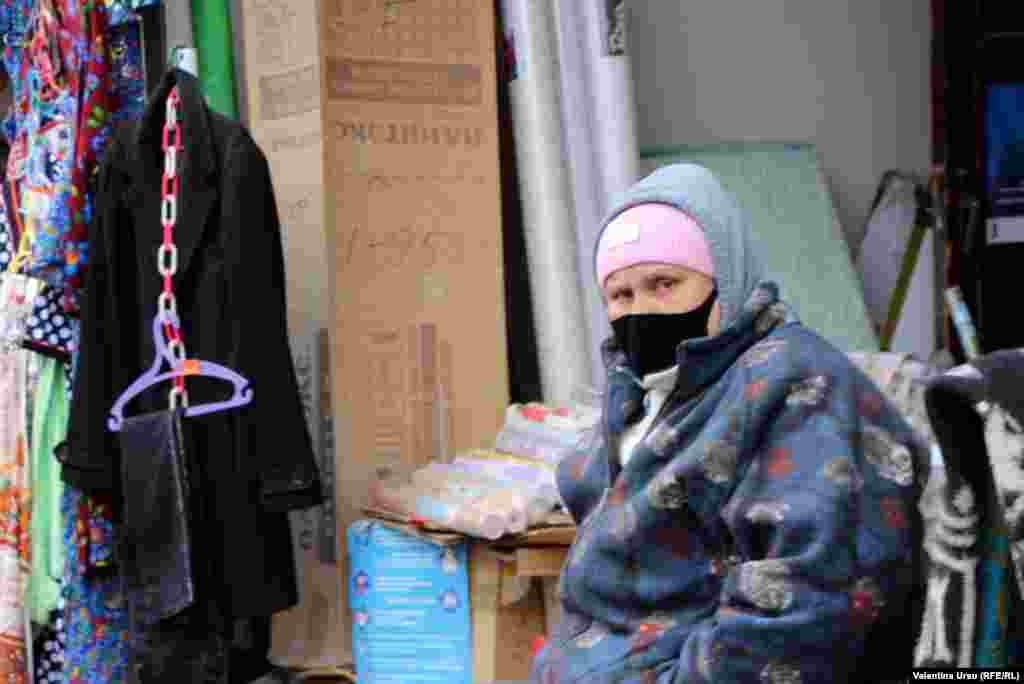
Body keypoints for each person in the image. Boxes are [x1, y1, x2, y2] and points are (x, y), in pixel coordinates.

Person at [531, 163, 926, 683]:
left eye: (664, 283)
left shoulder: (797, 386)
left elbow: (811, 597)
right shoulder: (646, 396)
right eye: (621, 296)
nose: (642, 310)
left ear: (724, 277)